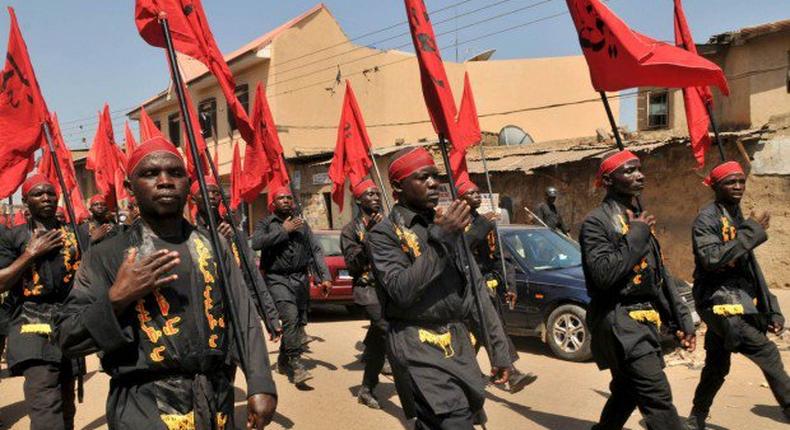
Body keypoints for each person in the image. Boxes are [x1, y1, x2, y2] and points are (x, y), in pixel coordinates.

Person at [55, 137, 277, 429]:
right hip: (143, 407)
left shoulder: (214, 245)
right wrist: (117, 298)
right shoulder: (105, 256)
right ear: (129, 187)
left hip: (214, 402)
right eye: (150, 174)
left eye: (175, 173)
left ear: (187, 182)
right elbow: (67, 337)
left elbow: (243, 315)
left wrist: (260, 382)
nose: (165, 181)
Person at [367, 147, 513, 428]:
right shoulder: (384, 234)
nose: (434, 183)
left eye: (435, 176)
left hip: (458, 342)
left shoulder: (448, 224)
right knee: (453, 421)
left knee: (444, 421)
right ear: (398, 186)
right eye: (423, 177)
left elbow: (476, 292)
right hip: (416, 344)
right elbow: (401, 290)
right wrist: (442, 239)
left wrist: (499, 350)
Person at [579, 150, 696, 430]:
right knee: (657, 398)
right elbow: (603, 275)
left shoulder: (639, 218)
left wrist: (680, 319)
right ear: (608, 180)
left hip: (643, 319)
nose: (639, 175)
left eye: (639, 169)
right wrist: (636, 234)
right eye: (629, 171)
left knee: (626, 393)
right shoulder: (596, 223)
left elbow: (657, 277)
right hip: (619, 322)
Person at [686, 161, 790, 429]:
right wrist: (751, 232)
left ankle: (696, 418)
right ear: (716, 186)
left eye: (741, 181)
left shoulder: (737, 215)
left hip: (739, 300)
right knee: (768, 353)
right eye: (730, 182)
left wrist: (772, 307)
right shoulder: (706, 219)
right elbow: (711, 258)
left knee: (717, 366)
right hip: (719, 301)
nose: (737, 187)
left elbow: (750, 268)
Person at [0, 174, 84, 430]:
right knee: (46, 407)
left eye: (50, 192)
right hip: (30, 325)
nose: (46, 197)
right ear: (26, 202)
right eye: (38, 193)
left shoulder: (76, 235)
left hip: (69, 324)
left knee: (67, 404)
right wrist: (30, 254)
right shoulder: (12, 237)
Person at [457, 179, 537, 394]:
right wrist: (480, 226)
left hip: (485, 286)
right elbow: (460, 249)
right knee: (472, 338)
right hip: (463, 289)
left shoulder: (487, 222)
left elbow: (501, 256)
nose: (477, 196)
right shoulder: (455, 224)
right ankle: (465, 377)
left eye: (478, 192)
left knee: (494, 330)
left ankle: (507, 372)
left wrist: (510, 286)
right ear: (460, 199)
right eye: (470, 193)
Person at [251, 186, 331, 386]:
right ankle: (296, 364)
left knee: (296, 323)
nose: (286, 201)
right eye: (281, 198)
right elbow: (256, 243)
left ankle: (282, 360)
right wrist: (283, 231)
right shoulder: (266, 223)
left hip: (300, 280)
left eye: (288, 198)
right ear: (273, 203)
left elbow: (315, 250)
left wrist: (324, 277)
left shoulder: (301, 224)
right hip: (277, 279)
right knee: (289, 317)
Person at [190, 176, 283, 342]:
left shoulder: (234, 235)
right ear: (192, 198)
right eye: (204, 192)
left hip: (236, 310)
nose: (211, 196)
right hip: (205, 317)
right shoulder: (187, 235)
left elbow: (252, 278)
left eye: (216, 193)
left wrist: (270, 317)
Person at [340, 178, 390, 409]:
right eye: (370, 195)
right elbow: (353, 265)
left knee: (380, 338)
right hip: (367, 288)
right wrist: (369, 236)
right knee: (384, 329)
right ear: (359, 200)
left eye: (377, 194)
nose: (376, 198)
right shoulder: (350, 231)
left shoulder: (388, 224)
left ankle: (366, 388)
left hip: (389, 287)